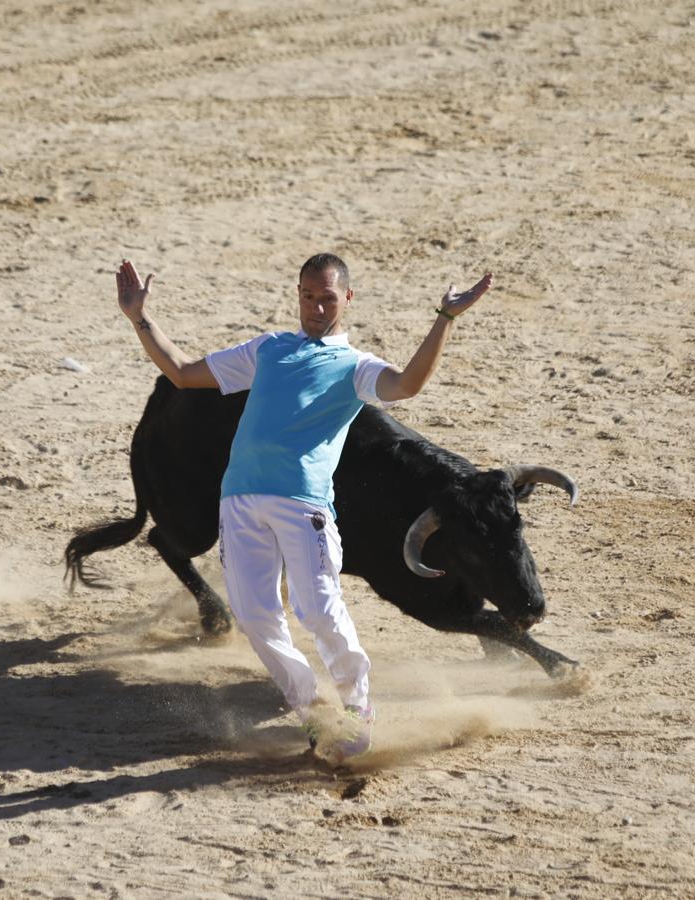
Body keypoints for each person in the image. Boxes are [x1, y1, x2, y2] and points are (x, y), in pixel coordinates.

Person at [116, 253, 492, 759]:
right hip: (240, 503)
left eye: (328, 297)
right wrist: (139, 317)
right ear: (298, 294)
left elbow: (406, 385)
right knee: (254, 616)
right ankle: (313, 710)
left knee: (317, 606)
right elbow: (183, 373)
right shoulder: (268, 348)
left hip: (303, 504)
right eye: (309, 296)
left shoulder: (353, 365)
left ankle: (357, 707)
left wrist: (444, 319)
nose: (317, 307)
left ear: (348, 300)